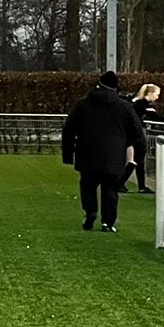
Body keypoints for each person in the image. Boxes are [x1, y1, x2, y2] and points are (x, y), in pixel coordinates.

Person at [62, 69, 145, 233]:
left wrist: (68, 155)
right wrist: (139, 156)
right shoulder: (125, 107)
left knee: (87, 186)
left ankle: (90, 212)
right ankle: (108, 222)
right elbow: (137, 134)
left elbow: (69, 130)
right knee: (111, 189)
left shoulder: (83, 104)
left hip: (87, 152)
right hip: (114, 155)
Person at [124, 83, 164, 194]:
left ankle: (136, 185)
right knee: (139, 158)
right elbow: (157, 117)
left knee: (136, 159)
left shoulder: (135, 102)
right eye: (156, 94)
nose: (157, 97)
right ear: (149, 93)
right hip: (136, 132)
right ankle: (132, 185)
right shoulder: (143, 104)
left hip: (130, 132)